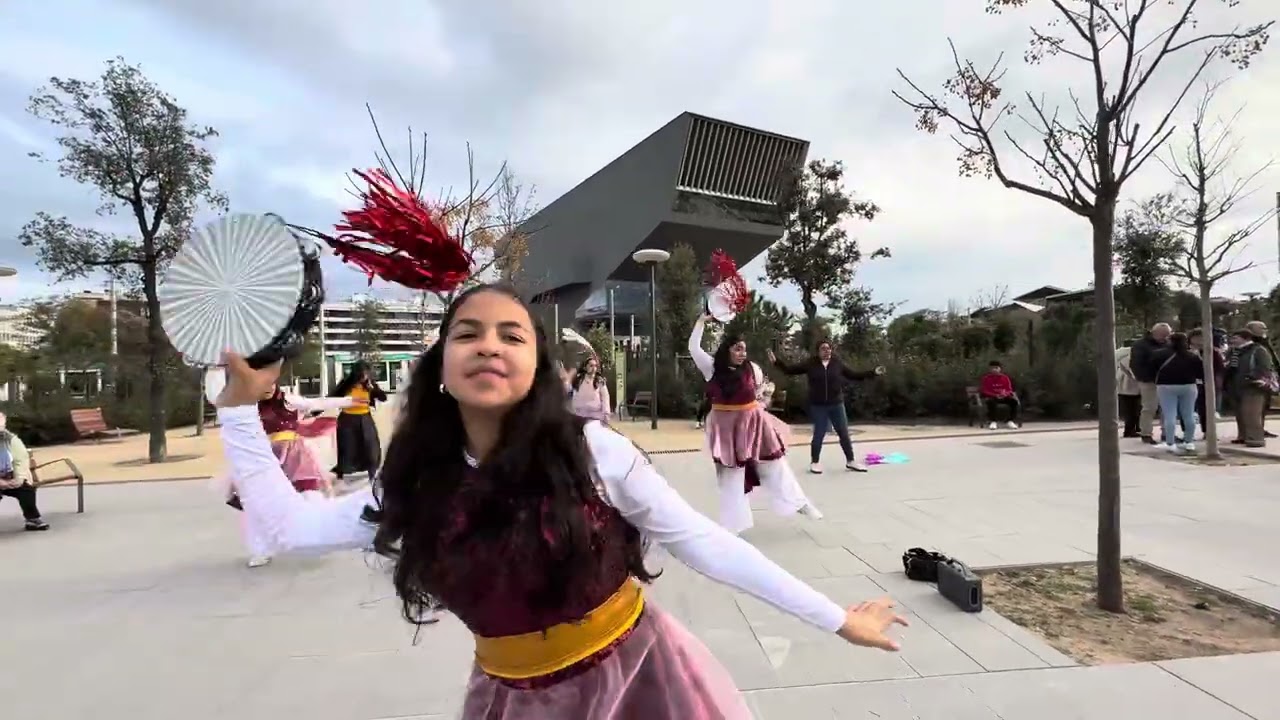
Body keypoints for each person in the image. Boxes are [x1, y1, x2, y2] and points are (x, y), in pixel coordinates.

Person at [215, 284, 906, 719]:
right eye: (468, 333)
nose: (489, 345)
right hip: (513, 702)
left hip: (644, 683)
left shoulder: (593, 451)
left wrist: (836, 618)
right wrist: (240, 412)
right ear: (443, 372)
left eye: (511, 335)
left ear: (538, 370)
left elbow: (703, 540)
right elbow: (284, 528)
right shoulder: (412, 483)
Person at [689, 314, 821, 533]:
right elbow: (694, 348)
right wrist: (701, 322)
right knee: (730, 476)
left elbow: (760, 393)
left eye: (744, 349)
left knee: (775, 465)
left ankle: (800, 503)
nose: (742, 353)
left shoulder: (753, 369)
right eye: (738, 349)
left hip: (754, 424)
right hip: (726, 429)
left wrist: (762, 401)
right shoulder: (711, 368)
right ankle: (733, 526)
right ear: (727, 349)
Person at [227, 383, 364, 568]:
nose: (266, 387)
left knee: (311, 495)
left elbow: (316, 403)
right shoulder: (250, 408)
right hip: (266, 458)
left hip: (296, 456)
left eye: (270, 382)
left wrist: (347, 401)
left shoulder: (289, 401)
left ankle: (325, 534)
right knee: (256, 506)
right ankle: (260, 550)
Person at [767, 340, 885, 474]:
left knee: (844, 433)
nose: (827, 351)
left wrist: (873, 372)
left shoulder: (837, 363)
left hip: (836, 404)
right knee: (819, 434)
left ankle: (851, 461)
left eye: (829, 348)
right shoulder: (811, 364)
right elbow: (790, 370)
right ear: (818, 351)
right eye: (823, 349)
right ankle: (815, 462)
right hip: (818, 405)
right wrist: (776, 362)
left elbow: (854, 375)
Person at [330, 361, 388, 480]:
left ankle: (372, 472)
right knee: (348, 448)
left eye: (367, 373)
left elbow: (383, 398)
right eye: (363, 374)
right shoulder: (346, 384)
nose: (365, 376)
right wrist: (314, 412)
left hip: (365, 418)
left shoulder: (369, 384)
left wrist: (374, 390)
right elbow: (332, 398)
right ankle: (342, 472)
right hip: (347, 420)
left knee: (371, 447)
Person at [1154, 332, 1203, 453]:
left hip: (1166, 385)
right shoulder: (1193, 356)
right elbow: (1200, 372)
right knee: (1189, 414)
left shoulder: (1160, 354)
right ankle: (1189, 442)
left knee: (1169, 415)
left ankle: (1170, 442)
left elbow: (1151, 369)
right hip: (1189, 385)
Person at [0, 413, 49, 531]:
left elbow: (21, 460)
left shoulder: (12, 440)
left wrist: (19, 479)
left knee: (26, 488)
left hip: (9, 477)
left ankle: (32, 520)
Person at [1229, 328, 1273, 448]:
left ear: (1245, 338)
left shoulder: (1258, 350)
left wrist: (1252, 377)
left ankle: (1256, 439)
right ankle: (1243, 436)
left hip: (1254, 386)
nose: (1232, 340)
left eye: (1235, 337)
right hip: (1237, 386)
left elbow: (1265, 367)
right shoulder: (1235, 351)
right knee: (1241, 413)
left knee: (1252, 413)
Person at [1130, 322, 1172, 444]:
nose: (1165, 338)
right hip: (1149, 380)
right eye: (1163, 335)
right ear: (1154, 333)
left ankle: (1167, 433)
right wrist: (1143, 378)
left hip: (1167, 381)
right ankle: (1146, 433)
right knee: (1149, 407)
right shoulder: (1141, 345)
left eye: (1167, 335)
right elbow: (1136, 364)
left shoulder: (1169, 345)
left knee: (1168, 408)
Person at [1245, 321, 1278, 439]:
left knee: (1264, 406)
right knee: (1258, 408)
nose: (1265, 330)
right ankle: (1255, 431)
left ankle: (1260, 428)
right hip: (1259, 379)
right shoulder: (1253, 344)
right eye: (1262, 328)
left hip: (1268, 378)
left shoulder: (1264, 342)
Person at [978, 360, 1021, 430]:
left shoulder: (1005, 378)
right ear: (990, 369)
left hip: (1004, 396)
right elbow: (984, 390)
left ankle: (1010, 421)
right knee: (991, 402)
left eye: (996, 368)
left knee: (1014, 402)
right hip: (992, 397)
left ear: (1000, 369)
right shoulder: (986, 378)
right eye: (992, 368)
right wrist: (995, 395)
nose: (994, 369)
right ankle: (993, 421)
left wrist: (1005, 394)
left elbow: (1009, 389)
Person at [569, 355, 611, 423]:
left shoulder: (599, 381)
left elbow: (605, 398)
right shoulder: (578, 380)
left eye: (595, 366)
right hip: (579, 416)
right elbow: (570, 393)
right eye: (591, 366)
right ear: (585, 367)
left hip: (595, 417)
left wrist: (606, 414)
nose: (594, 368)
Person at [1115, 341, 1142, 438]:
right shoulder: (1129, 356)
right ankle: (1131, 430)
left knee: (1130, 410)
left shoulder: (1118, 355)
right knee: (1134, 409)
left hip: (1123, 386)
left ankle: (1132, 429)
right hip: (1133, 385)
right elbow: (1133, 371)